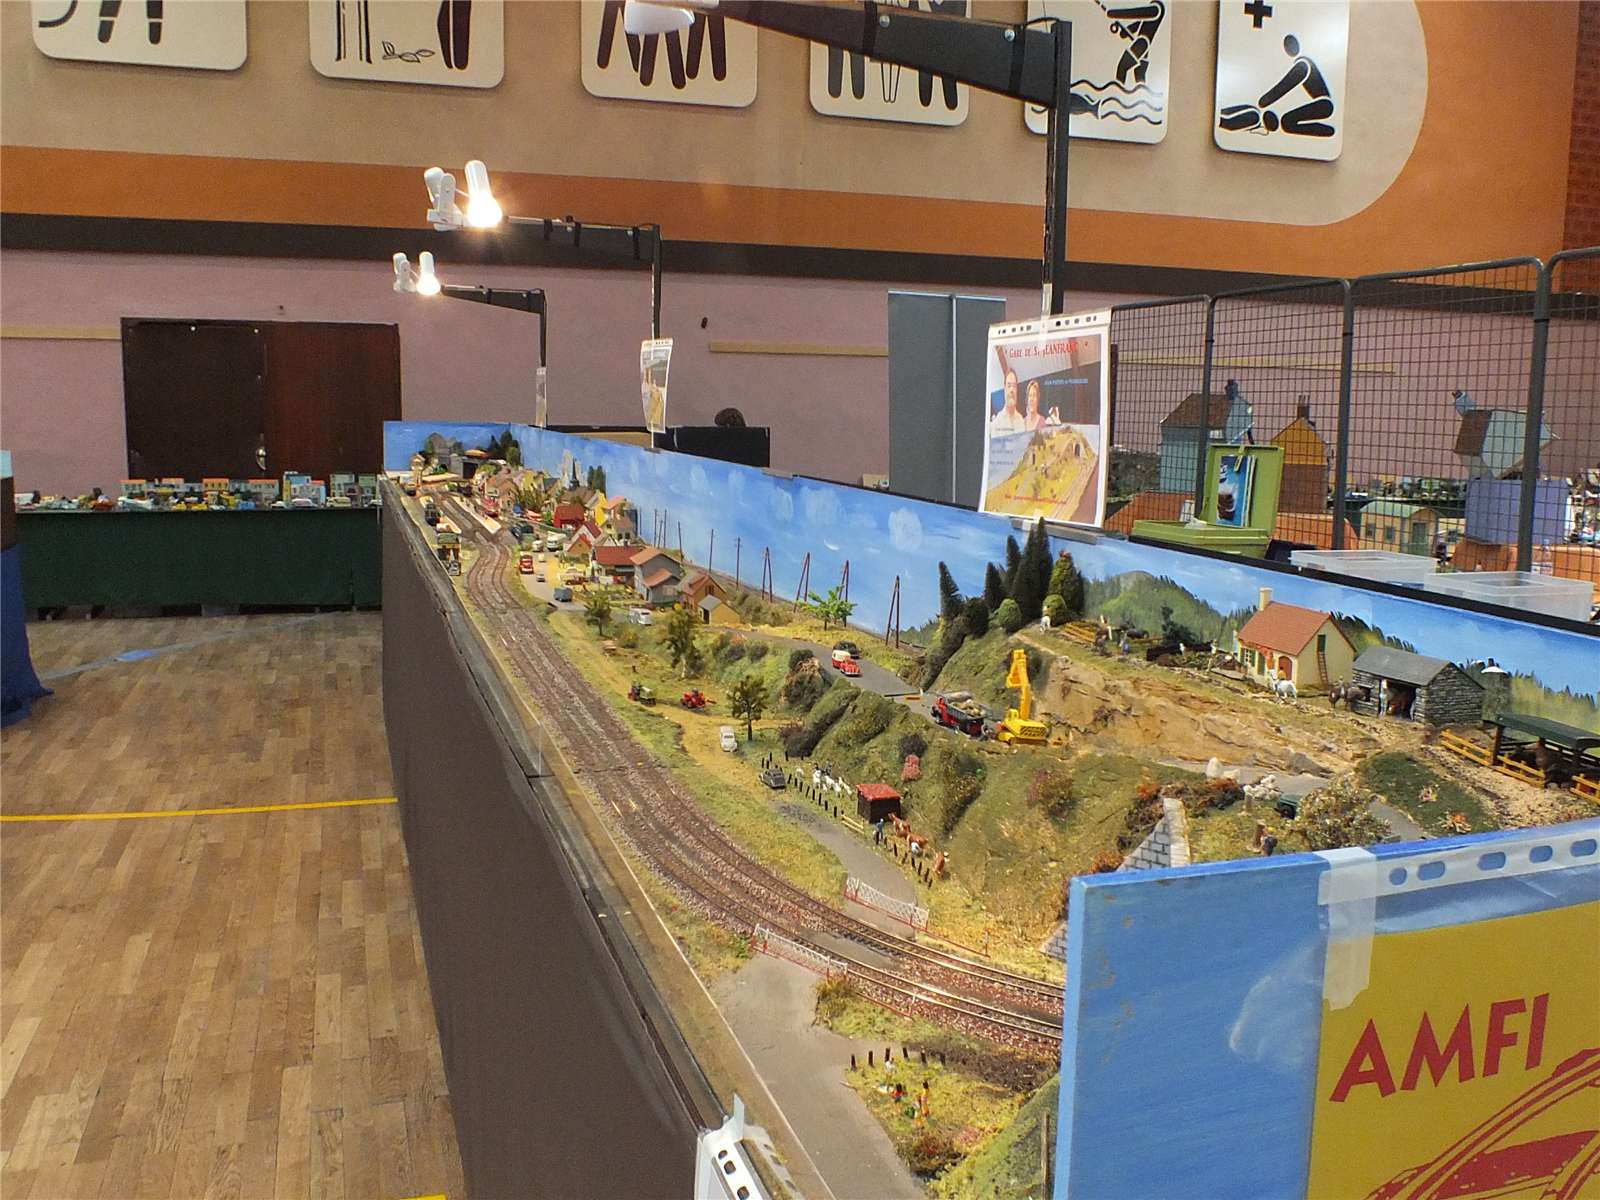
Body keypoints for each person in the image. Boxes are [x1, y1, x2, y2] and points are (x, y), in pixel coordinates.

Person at [991, 368, 1030, 433]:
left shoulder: (1021, 421)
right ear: (1005, 389)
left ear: (1017, 390)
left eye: (1014, 386)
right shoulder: (997, 422)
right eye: (1009, 386)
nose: (1011, 390)